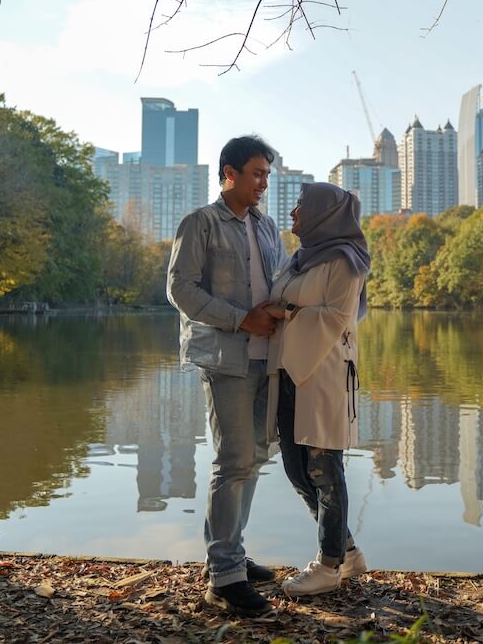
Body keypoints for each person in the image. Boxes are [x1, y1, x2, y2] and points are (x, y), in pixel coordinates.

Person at [167, 135, 287, 617]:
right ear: (229, 173)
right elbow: (180, 289)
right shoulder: (201, 222)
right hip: (226, 358)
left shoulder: (268, 226)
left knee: (255, 457)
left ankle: (229, 556)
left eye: (267, 176)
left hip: (267, 357)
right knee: (233, 458)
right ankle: (223, 579)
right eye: (257, 173)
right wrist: (241, 318)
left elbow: (277, 282)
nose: (263, 183)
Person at [265, 182, 371, 598]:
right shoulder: (301, 259)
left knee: (324, 470)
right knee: (295, 468)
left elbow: (336, 317)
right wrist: (286, 310)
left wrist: (284, 312)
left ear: (324, 214)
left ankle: (328, 567)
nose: (293, 213)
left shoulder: (347, 262)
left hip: (324, 375)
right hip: (290, 372)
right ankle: (347, 551)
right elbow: (290, 301)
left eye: (300, 206)